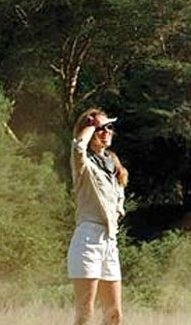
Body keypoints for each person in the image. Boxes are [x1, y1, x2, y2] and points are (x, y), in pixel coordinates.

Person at [68, 108, 129, 325]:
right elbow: (77, 148)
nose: (106, 132)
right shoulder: (84, 165)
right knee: (85, 312)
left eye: (108, 128)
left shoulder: (112, 165)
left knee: (114, 315)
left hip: (109, 240)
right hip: (88, 238)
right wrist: (90, 125)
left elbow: (118, 201)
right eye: (100, 129)